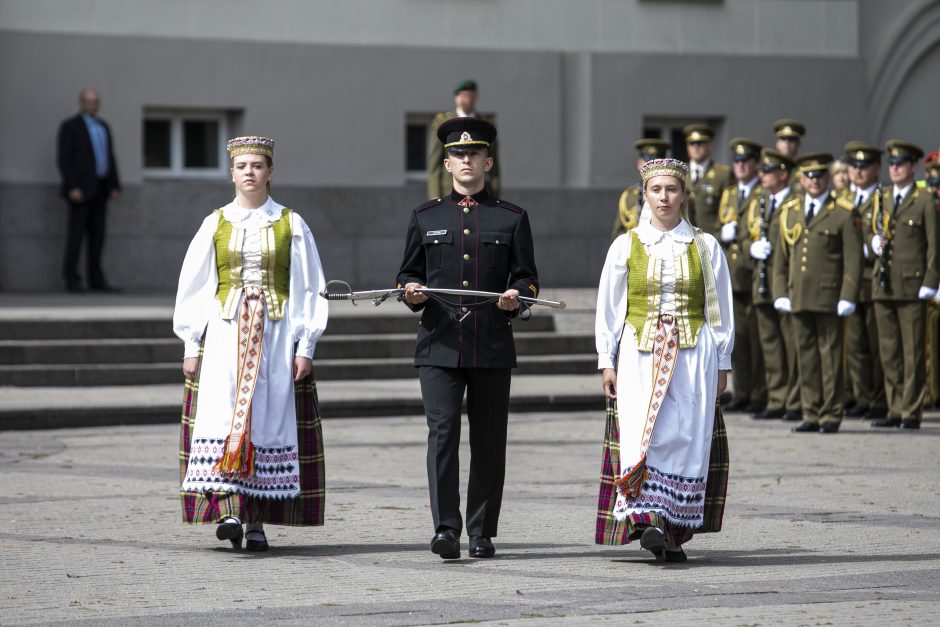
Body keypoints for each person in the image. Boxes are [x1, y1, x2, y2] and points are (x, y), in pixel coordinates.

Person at [173, 136, 329, 551]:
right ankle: (229, 510)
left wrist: (305, 346)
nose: (249, 172)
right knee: (224, 418)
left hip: (275, 335)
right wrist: (191, 343)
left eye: (257, 165)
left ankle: (257, 521)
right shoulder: (217, 222)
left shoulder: (291, 223)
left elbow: (309, 286)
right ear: (232, 173)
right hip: (225, 336)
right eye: (242, 166)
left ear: (270, 172)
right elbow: (196, 283)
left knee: (266, 420)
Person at [397, 117, 538, 560]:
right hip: (439, 342)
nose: (466, 160)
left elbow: (528, 279)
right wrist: (412, 293)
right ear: (447, 162)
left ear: (487, 162)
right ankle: (445, 529)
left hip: (491, 343)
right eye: (458, 154)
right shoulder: (426, 215)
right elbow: (407, 274)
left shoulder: (511, 217)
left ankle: (480, 532)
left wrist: (519, 298)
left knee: (489, 440)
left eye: (474, 154)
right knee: (442, 436)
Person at [595, 157, 733, 563]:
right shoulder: (626, 246)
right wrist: (607, 359)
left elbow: (719, 307)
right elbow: (609, 306)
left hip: (693, 356)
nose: (664, 197)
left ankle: (672, 532)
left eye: (671, 189)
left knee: (685, 437)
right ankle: (650, 522)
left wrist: (723, 360)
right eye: (656, 190)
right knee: (644, 435)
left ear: (683, 195)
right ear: (645, 195)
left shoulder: (705, 246)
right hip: (640, 354)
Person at [772, 153, 863, 434]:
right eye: (809, 176)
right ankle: (810, 411)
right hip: (798, 295)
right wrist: (780, 290)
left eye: (820, 176)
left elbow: (853, 259)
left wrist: (848, 293)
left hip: (829, 297)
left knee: (831, 357)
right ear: (801, 179)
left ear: (827, 178)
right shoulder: (791, 211)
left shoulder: (843, 213)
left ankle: (831, 414)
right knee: (806, 357)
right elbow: (781, 258)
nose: (814, 181)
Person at [869, 140, 940, 430]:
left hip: (912, 285)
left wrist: (930, 280)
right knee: (889, 351)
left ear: (913, 167)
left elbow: (934, 245)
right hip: (883, 284)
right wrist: (871, 242)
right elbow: (872, 227)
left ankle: (911, 410)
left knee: (912, 352)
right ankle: (895, 406)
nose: (895, 168)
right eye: (892, 163)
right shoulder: (882, 196)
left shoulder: (924, 200)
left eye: (901, 164)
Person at [746, 149, 802, 421]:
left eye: (767, 171)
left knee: (792, 345)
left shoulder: (796, 202)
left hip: (787, 284)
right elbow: (746, 237)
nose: (762, 176)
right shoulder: (760, 201)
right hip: (762, 282)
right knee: (769, 346)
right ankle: (777, 397)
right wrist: (751, 248)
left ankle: (795, 399)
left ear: (782, 174)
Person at [56, 88, 121, 292]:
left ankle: (96, 279)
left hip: (100, 190)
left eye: (96, 101)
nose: (93, 104)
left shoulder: (103, 127)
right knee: (76, 236)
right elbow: (64, 159)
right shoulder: (70, 126)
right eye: (89, 101)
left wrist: (114, 185)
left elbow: (109, 157)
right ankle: (71, 279)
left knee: (98, 236)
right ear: (82, 102)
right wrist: (71, 186)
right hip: (80, 191)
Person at [718, 138, 766, 413]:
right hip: (734, 275)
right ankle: (744, 391)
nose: (740, 165)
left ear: (755, 164)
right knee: (740, 340)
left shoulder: (761, 193)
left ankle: (760, 393)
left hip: (753, 274)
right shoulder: (730, 193)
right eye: (736, 161)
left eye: (746, 161)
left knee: (759, 341)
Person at [841, 142, 887, 420]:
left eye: (864, 166)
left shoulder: (883, 199)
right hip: (850, 282)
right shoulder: (844, 198)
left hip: (872, 279)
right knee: (855, 346)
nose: (858, 171)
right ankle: (861, 396)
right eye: (854, 166)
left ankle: (880, 399)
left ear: (876, 170)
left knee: (877, 344)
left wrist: (872, 244)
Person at [427, 80, 500, 200]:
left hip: (481, 192)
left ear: (475, 96)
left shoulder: (485, 124)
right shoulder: (443, 123)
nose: (461, 99)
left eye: (466, 95)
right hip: (449, 191)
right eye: (458, 95)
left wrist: (495, 194)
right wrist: (434, 197)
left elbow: (494, 165)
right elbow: (434, 165)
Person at [611, 138, 670, 239]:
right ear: (639, 165)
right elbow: (618, 232)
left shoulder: (673, 195)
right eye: (647, 165)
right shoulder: (629, 195)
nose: (651, 169)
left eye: (656, 165)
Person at [685, 124, 733, 238]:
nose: (696, 147)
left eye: (700, 143)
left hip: (711, 238)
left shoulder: (723, 174)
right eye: (692, 143)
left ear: (710, 145)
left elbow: (729, 207)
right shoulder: (680, 173)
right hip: (684, 239)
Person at [773, 119, 806, 194]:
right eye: (783, 138)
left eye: (791, 139)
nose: (787, 142)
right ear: (777, 143)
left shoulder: (804, 171)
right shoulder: (770, 170)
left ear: (798, 144)